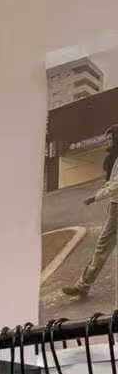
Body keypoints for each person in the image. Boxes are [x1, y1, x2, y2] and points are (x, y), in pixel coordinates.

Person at [62, 123, 118, 299]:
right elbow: (111, 182)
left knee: (103, 246)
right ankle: (83, 285)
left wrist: (95, 197)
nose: (108, 142)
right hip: (115, 206)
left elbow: (116, 185)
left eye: (110, 138)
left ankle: (83, 285)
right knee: (103, 246)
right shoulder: (113, 158)